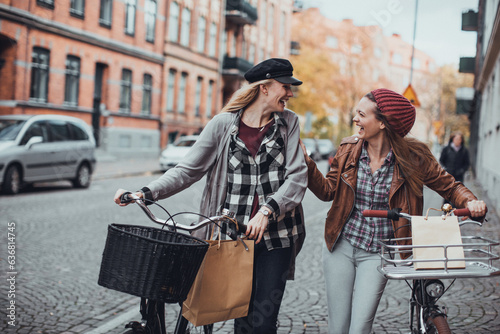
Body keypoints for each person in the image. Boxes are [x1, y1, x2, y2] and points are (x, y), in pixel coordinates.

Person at [114, 58, 308, 334]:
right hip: (233, 238)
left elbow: (298, 176)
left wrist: (267, 210)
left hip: (277, 236)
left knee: (263, 322)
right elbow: (186, 170)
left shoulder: (288, 123)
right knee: (240, 315)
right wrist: (146, 192)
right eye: (285, 86)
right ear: (264, 88)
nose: (290, 93)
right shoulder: (223, 125)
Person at [300, 88, 487, 334]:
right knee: (339, 327)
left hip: (379, 253)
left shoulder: (414, 158)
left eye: (361, 114)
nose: (355, 119)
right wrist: (307, 163)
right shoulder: (348, 149)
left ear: (382, 123)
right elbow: (327, 191)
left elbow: (450, 186)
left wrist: (471, 201)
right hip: (341, 246)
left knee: (359, 327)